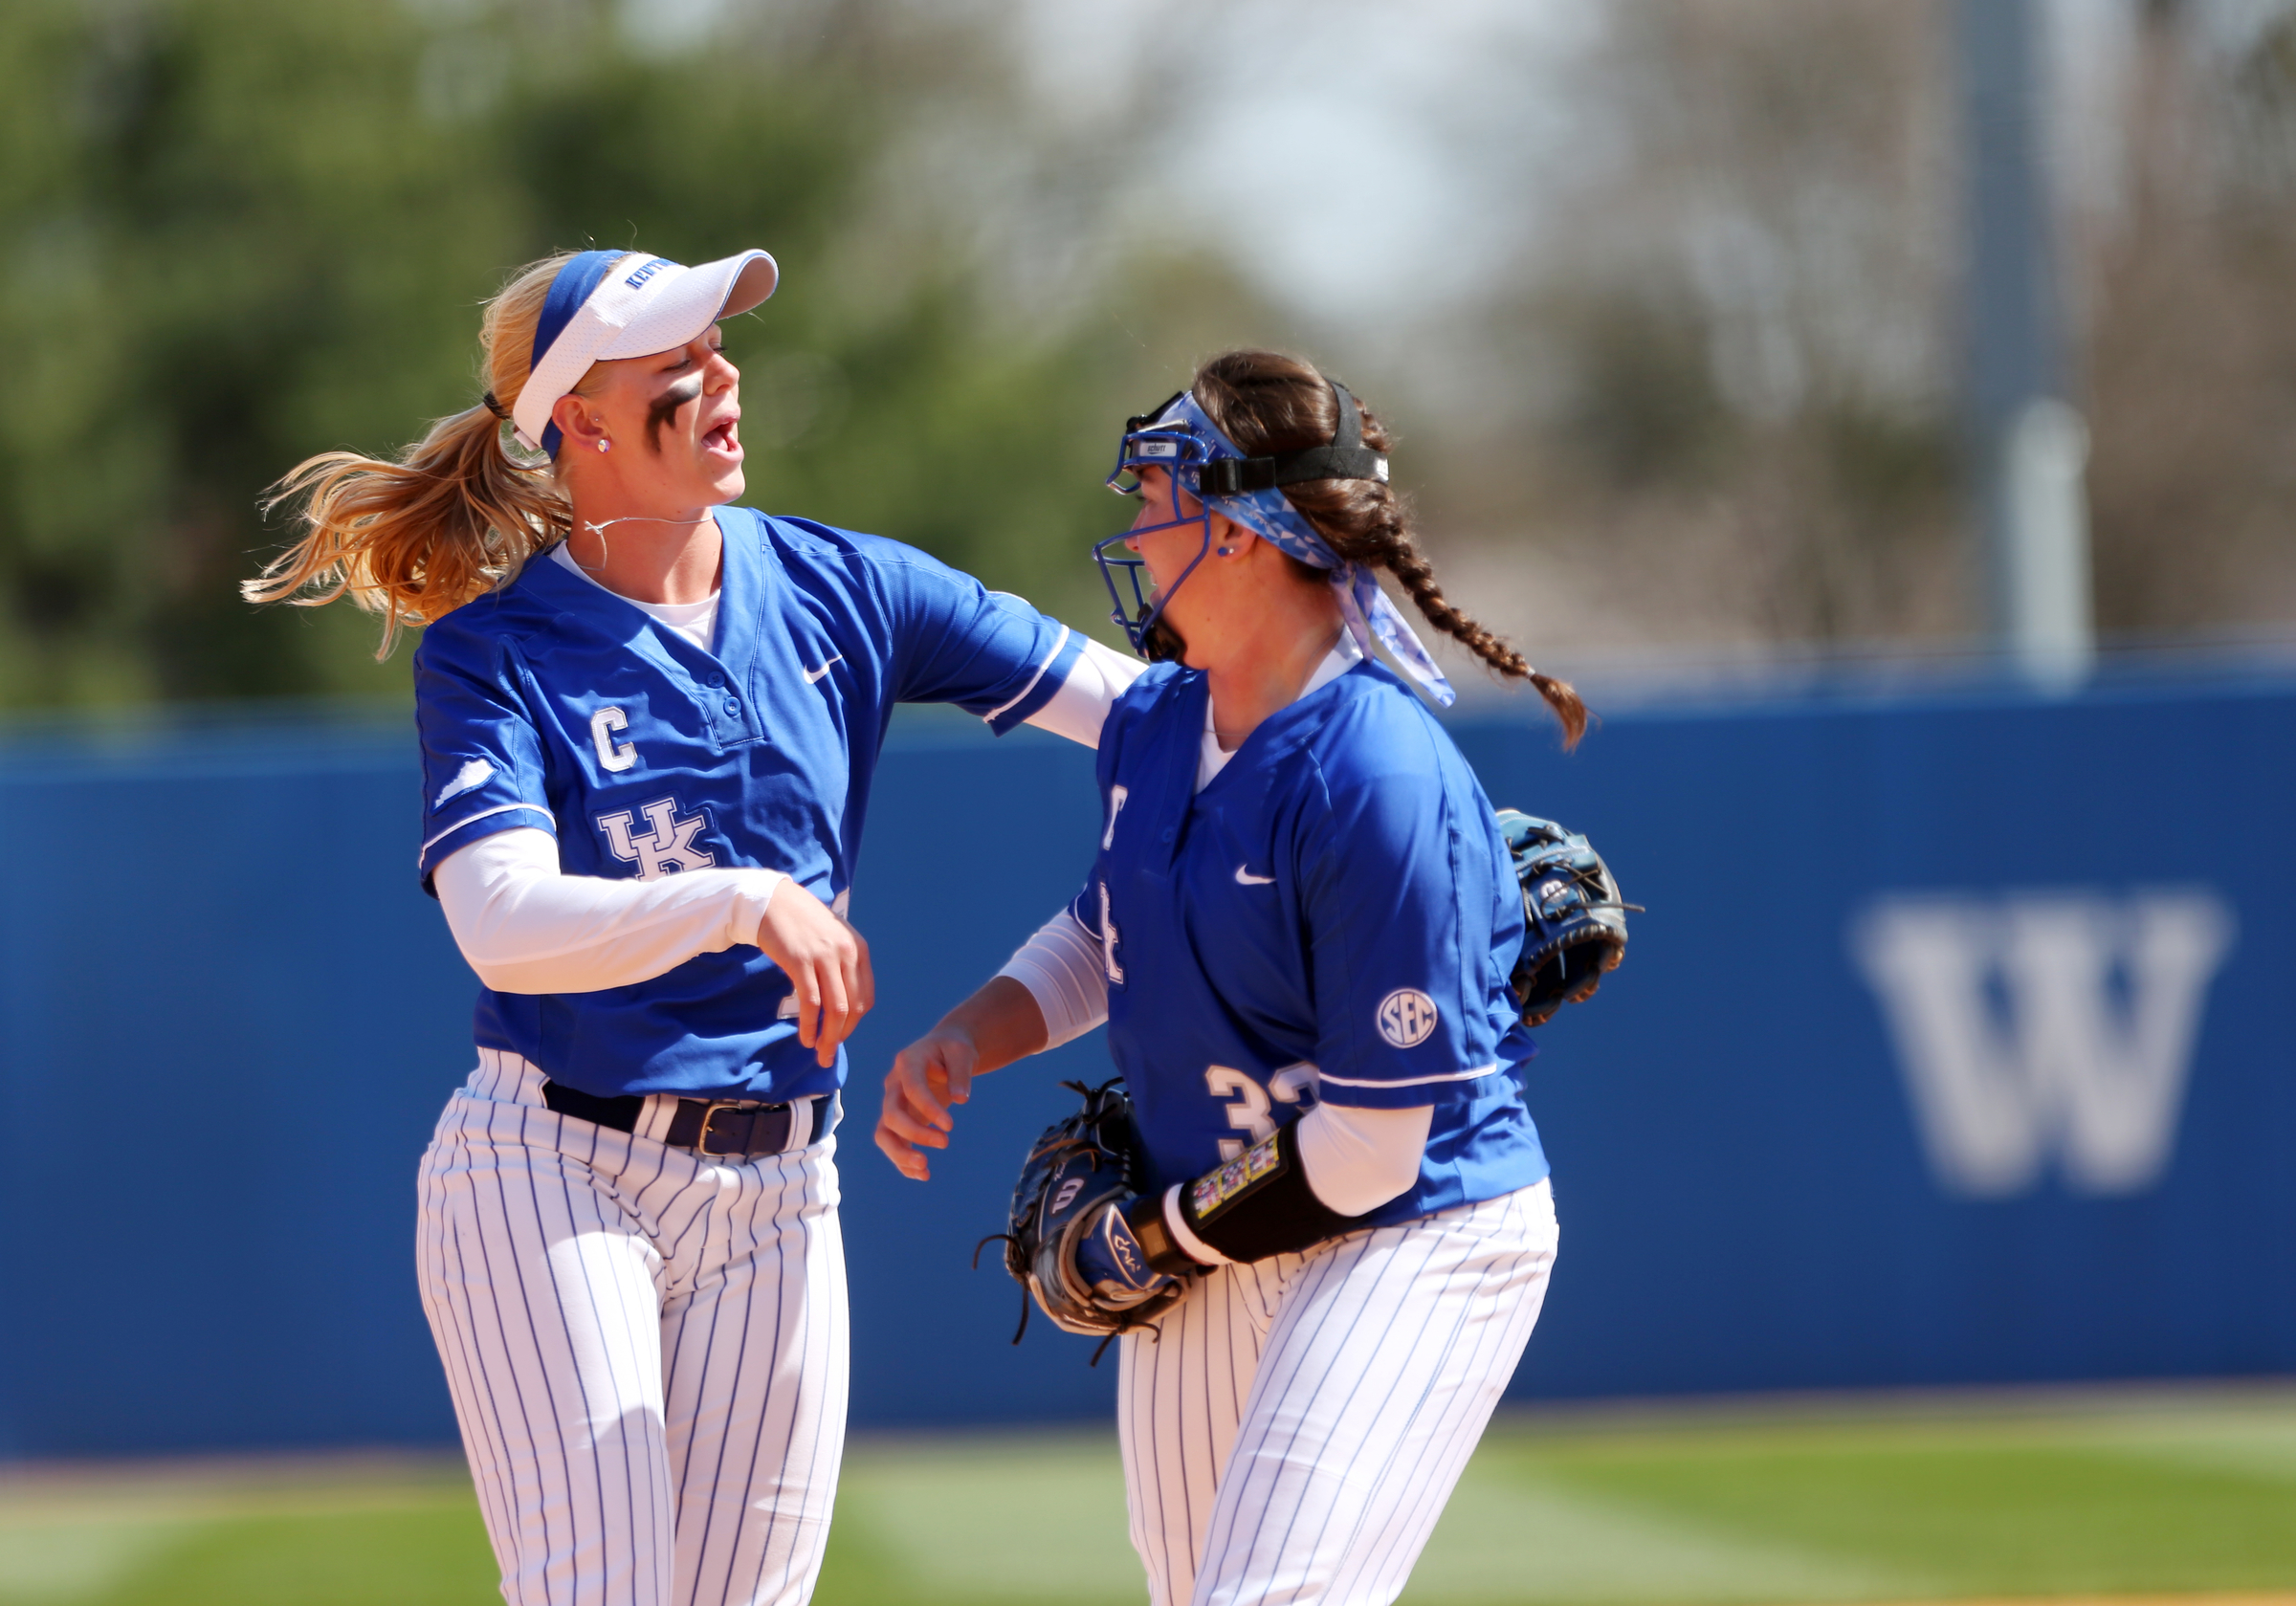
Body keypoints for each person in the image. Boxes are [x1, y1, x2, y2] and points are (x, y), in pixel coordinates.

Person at [245, 246, 1141, 1606]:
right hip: (553, 1169)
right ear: (583, 421)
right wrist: (740, 896)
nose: (720, 371)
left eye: (719, 344)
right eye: (676, 358)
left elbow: (1140, 713)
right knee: (598, 1586)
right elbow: (501, 923)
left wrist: (1347, 749)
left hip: (785, 1188)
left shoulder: (853, 587)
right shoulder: (497, 649)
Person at [875, 350, 1581, 1606]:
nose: (1134, 536)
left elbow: (1368, 1151)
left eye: (1153, 502)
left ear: (1243, 529)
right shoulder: (1159, 722)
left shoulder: (1374, 770)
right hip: (1218, 1223)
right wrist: (967, 1036)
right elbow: (1108, 932)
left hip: (1412, 1227)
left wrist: (1158, 1233)